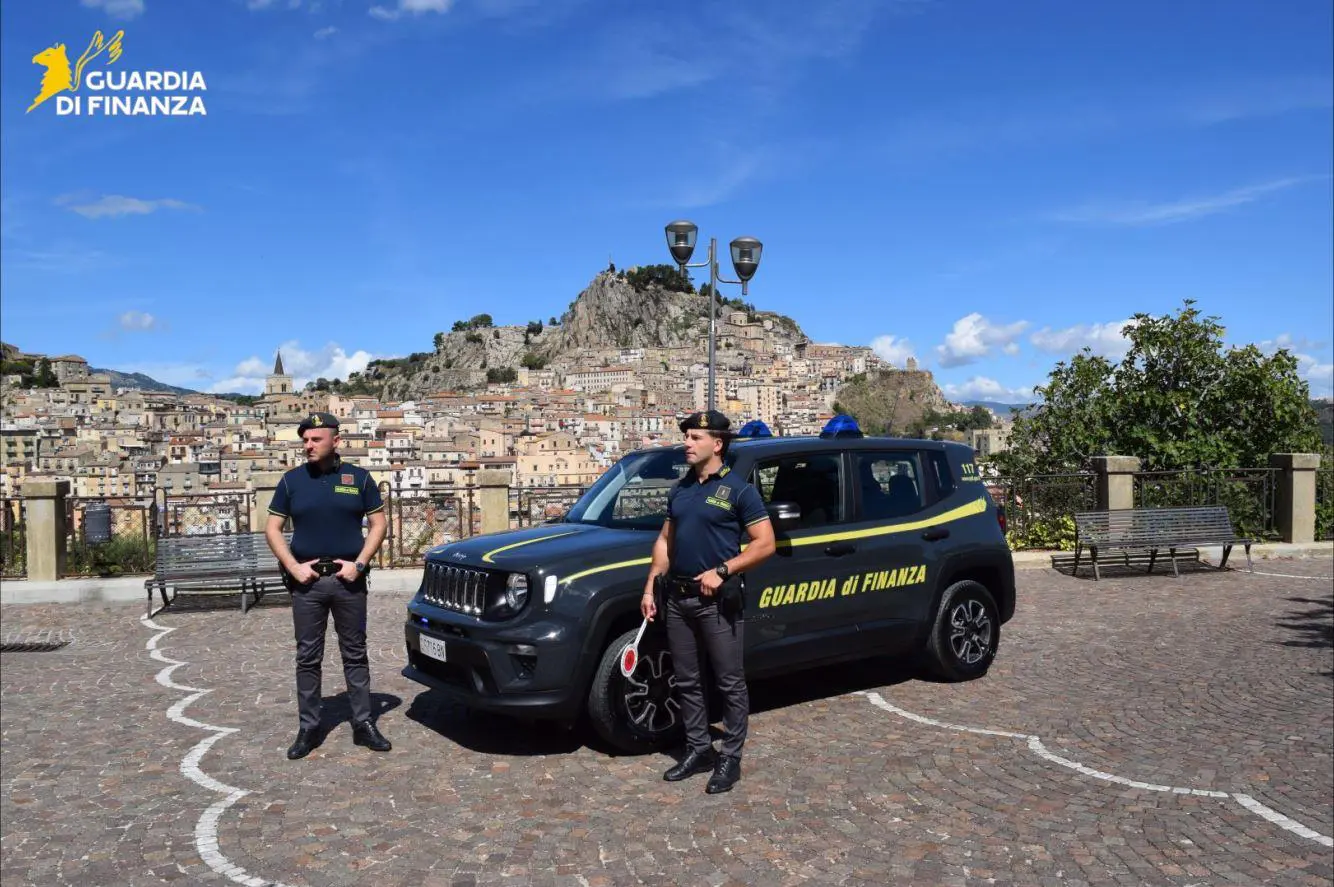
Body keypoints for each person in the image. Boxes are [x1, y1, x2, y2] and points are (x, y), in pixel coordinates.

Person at [641, 409, 776, 793]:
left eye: (695, 437)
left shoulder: (739, 491)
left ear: (717, 444)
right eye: (686, 436)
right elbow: (665, 542)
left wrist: (724, 570)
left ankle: (730, 758)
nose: (687, 443)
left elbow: (765, 543)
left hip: (716, 601)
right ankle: (699, 749)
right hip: (678, 598)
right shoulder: (680, 490)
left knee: (729, 682)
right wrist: (650, 587)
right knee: (686, 680)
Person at [265, 411, 390, 760]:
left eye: (315, 439)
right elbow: (272, 529)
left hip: (349, 581)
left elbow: (378, 524)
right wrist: (293, 568)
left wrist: (359, 565)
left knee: (355, 653)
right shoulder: (291, 481)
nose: (308, 445)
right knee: (307, 657)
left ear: (336, 441)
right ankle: (309, 727)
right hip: (307, 584)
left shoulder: (359, 478)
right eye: (305, 440)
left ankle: (363, 723)